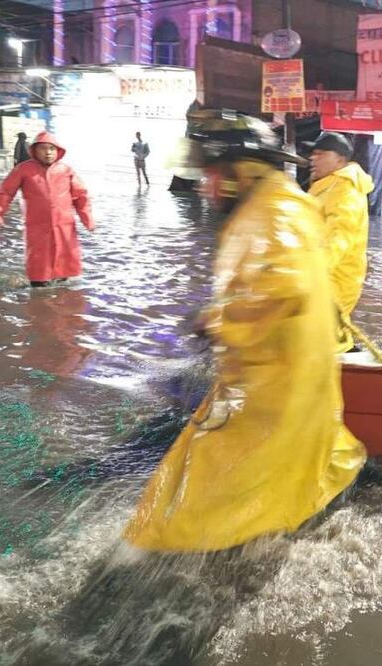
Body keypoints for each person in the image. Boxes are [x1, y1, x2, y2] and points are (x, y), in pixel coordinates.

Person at [123, 115, 366, 552]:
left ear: (238, 173)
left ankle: (170, 563)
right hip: (272, 377)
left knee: (202, 499)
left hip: (270, 390)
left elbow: (284, 284)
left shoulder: (273, 210)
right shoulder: (281, 202)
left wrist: (218, 320)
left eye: (211, 175)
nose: (205, 186)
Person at [0, 132, 94, 287]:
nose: (48, 152)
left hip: (64, 226)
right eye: (43, 148)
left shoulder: (66, 170)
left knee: (65, 266)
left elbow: (81, 196)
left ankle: (61, 294)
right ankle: (39, 296)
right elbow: (4, 192)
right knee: (39, 267)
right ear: (34, 151)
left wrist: (88, 219)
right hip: (37, 227)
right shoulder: (24, 170)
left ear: (58, 151)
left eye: (52, 148)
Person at [304, 131, 374, 352]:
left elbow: (338, 238)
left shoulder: (345, 191)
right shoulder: (327, 186)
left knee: (324, 340)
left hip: (332, 280)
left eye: (322, 154)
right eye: (313, 153)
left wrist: (312, 271)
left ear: (341, 160)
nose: (313, 158)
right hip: (318, 278)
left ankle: (353, 375)